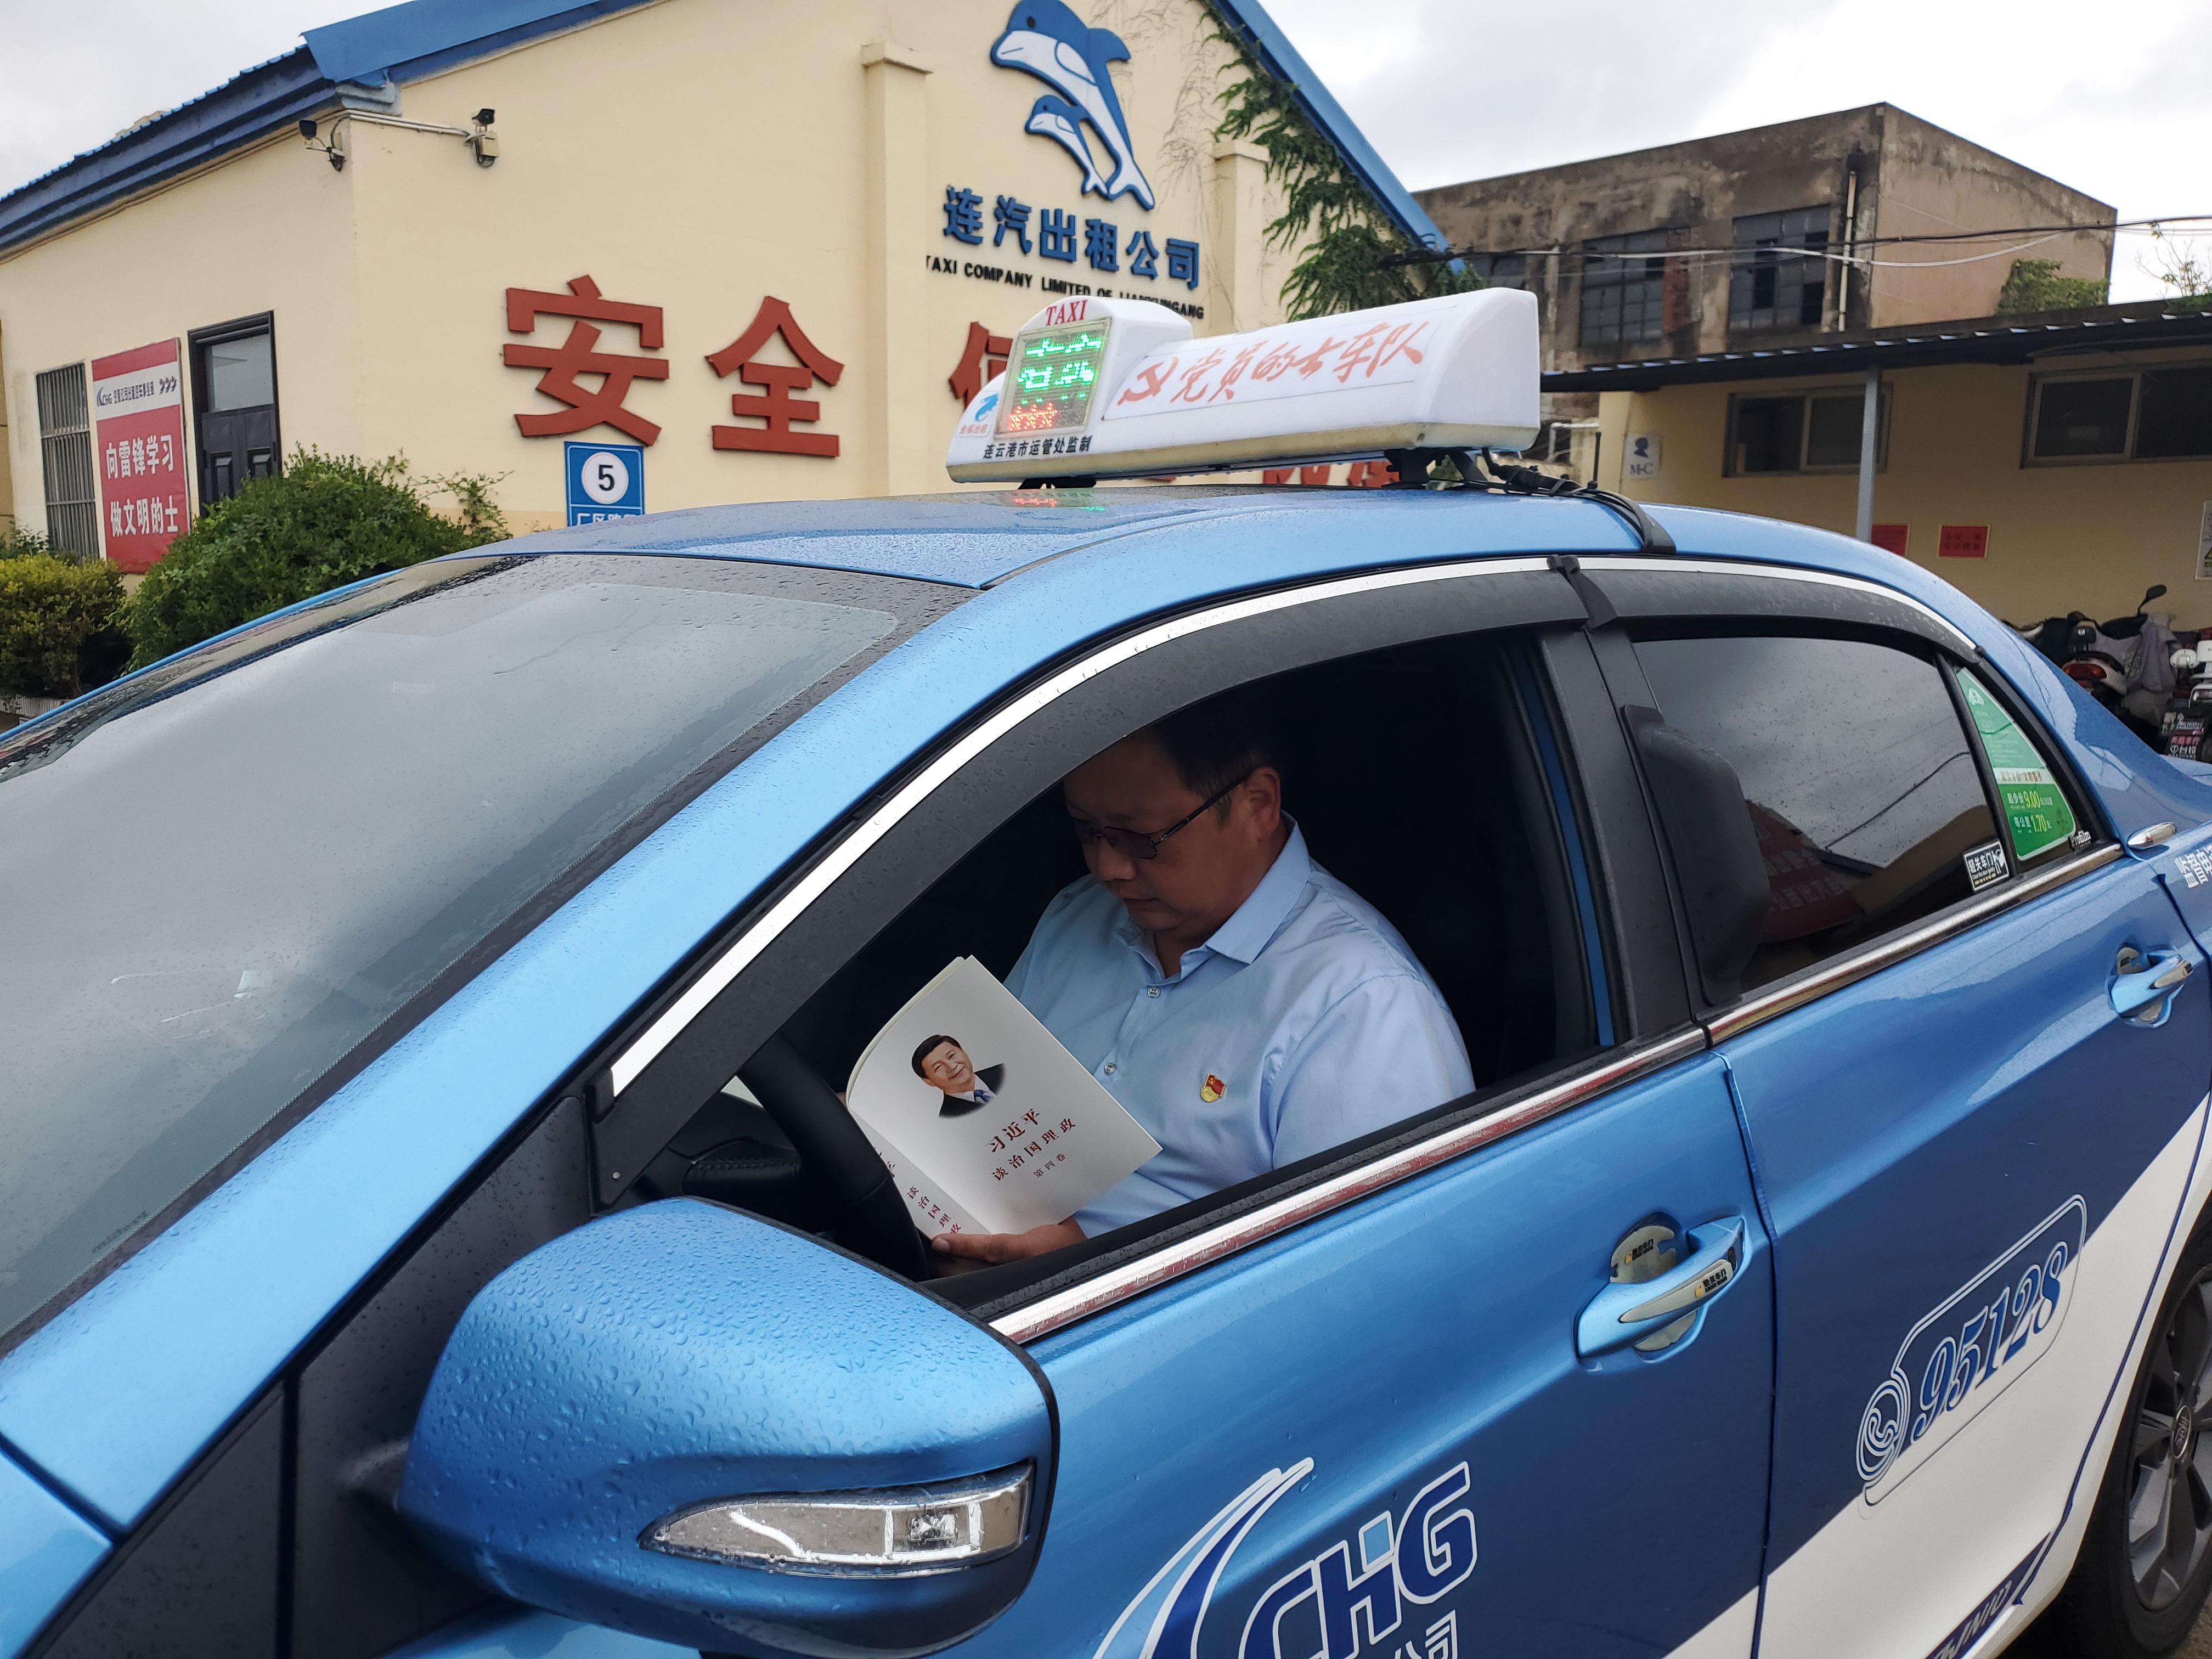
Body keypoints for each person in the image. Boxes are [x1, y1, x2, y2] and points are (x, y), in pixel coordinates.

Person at [931, 691, 1473, 1268]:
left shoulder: (1360, 1006)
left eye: (1141, 839)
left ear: (1258, 805)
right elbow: (985, 1103)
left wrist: (1084, 1270)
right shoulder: (1079, 916)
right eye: (1088, 832)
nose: (1109, 868)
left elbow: (1363, 1274)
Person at [912, 1034, 1003, 1116]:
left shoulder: (1002, 1071)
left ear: (964, 1052)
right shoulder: (950, 1117)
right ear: (929, 1081)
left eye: (951, 1056)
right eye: (939, 1067)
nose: (952, 1066)